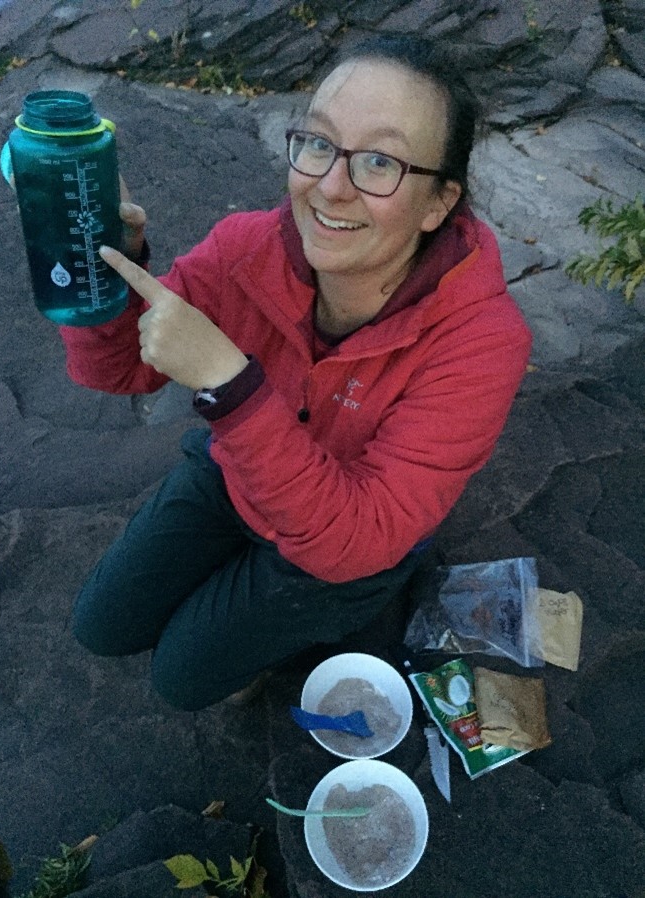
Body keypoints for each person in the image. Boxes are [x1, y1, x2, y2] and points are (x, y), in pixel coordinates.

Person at [62, 35, 532, 711]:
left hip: (345, 546)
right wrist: (99, 264)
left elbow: (357, 538)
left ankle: (369, 601)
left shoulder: (481, 342)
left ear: (438, 203)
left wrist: (231, 387)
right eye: (318, 143)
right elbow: (118, 369)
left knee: (181, 681)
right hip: (235, 476)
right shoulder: (247, 250)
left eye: (380, 161)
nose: (331, 186)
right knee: (100, 628)